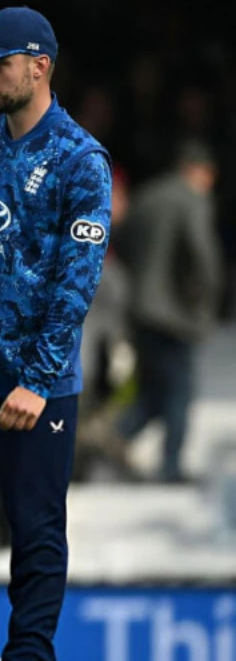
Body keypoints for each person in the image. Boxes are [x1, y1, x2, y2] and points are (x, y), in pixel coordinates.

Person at [0, 6, 113, 660]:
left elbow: (77, 283)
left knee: (36, 530)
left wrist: (38, 380)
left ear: (40, 67)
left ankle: (29, 655)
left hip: (36, 390)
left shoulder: (81, 159)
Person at [115, 140, 222, 483]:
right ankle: (171, 465)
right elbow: (201, 254)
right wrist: (207, 298)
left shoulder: (147, 196)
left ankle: (112, 439)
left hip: (137, 306)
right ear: (197, 170)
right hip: (173, 313)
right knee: (179, 391)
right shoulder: (192, 200)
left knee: (153, 389)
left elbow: (122, 242)